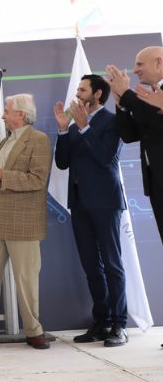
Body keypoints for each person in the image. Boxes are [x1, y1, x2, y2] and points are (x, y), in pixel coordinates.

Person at [0, 93, 52, 350]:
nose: (3, 115)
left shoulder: (39, 140)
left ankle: (34, 331)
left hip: (23, 219)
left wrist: (3, 175)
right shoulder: (7, 141)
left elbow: (37, 180)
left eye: (7, 111)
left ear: (21, 115)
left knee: (25, 278)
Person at [54, 74, 128, 347]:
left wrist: (84, 128)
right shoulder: (74, 124)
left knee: (112, 265)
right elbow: (62, 163)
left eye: (82, 89)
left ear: (97, 94)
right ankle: (102, 322)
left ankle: (120, 325)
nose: (78, 93)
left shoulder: (112, 121)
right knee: (91, 266)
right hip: (80, 203)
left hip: (105, 202)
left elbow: (105, 158)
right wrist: (64, 129)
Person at [106, 45, 163, 245]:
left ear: (159, 62)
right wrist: (121, 102)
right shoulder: (153, 95)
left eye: (140, 64)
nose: (135, 70)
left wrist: (127, 94)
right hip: (156, 183)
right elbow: (130, 135)